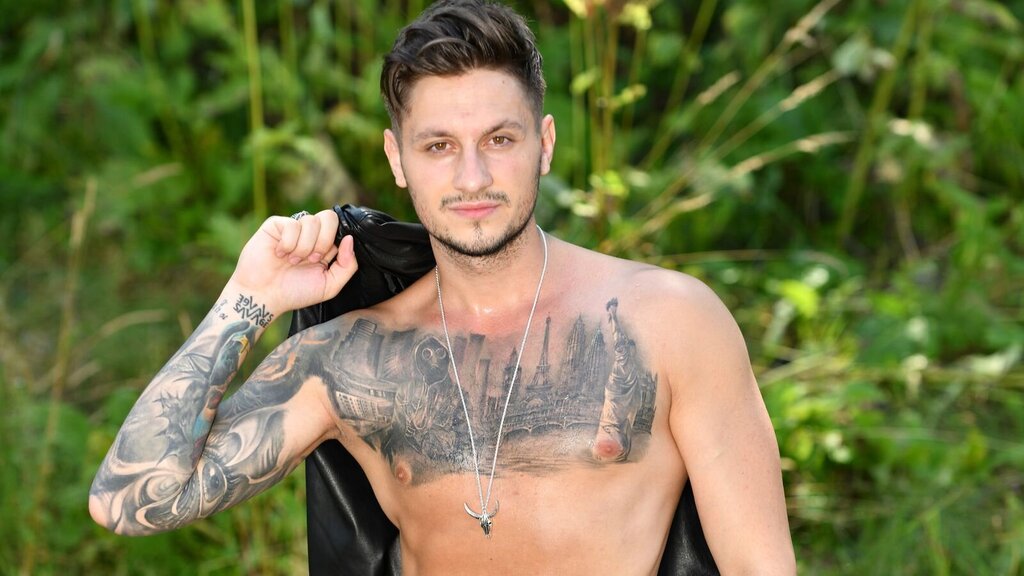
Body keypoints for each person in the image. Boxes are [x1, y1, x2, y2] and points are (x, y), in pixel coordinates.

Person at [89, 0, 796, 573]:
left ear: (545, 144)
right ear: (397, 159)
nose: (472, 178)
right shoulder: (349, 361)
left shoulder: (669, 322)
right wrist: (250, 297)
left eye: (499, 140)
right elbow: (129, 500)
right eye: (438, 147)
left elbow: (760, 566)